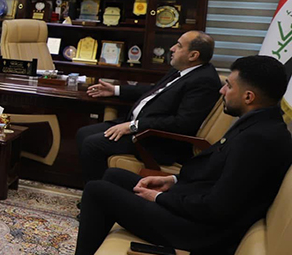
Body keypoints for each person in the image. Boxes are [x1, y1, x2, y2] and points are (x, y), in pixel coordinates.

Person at [38, 55, 292, 255]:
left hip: (198, 232)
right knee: (114, 176)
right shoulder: (258, 124)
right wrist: (172, 181)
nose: (222, 90)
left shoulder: (259, 140)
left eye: (229, 86)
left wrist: (160, 198)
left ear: (249, 96)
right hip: (194, 207)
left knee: (97, 191)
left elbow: (217, 207)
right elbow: (214, 173)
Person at [77, 30, 221, 183]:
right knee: (84, 133)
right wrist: (115, 90)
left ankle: (98, 193)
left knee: (93, 144)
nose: (172, 48)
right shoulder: (182, 70)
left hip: (155, 140)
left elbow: (183, 123)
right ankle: (95, 187)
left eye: (179, 46)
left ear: (193, 55)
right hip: (140, 127)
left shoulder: (204, 81)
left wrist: (134, 126)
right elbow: (155, 90)